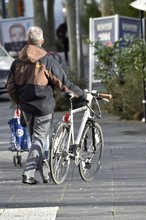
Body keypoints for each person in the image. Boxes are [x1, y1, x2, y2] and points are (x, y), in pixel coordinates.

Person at [7, 26, 92, 185]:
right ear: (42, 41)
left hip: (26, 105)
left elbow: (10, 87)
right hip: (43, 106)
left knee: (36, 139)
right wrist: (82, 94)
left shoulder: (17, 62)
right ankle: (28, 174)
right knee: (39, 140)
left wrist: (18, 102)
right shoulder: (47, 60)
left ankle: (45, 174)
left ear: (28, 41)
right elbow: (64, 83)